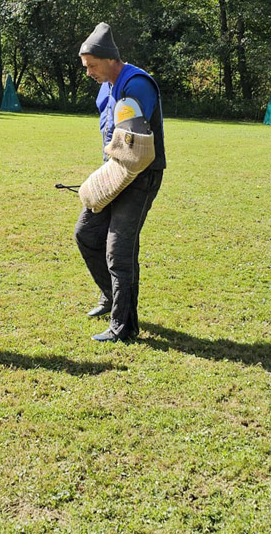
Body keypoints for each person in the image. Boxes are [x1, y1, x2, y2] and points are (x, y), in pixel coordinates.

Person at [74, 22, 166, 342]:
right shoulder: (106, 86)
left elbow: (136, 146)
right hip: (114, 172)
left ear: (109, 58)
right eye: (86, 67)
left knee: (119, 249)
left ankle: (124, 326)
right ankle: (111, 296)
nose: (88, 72)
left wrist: (112, 168)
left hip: (140, 175)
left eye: (92, 66)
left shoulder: (136, 84)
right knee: (86, 233)